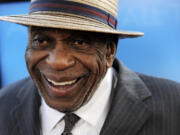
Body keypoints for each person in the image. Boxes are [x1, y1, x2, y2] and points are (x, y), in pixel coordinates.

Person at [0, 0, 180, 135]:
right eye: (40, 41)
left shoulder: (174, 105)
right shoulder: (3, 104)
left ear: (110, 51)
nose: (57, 62)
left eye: (79, 42)